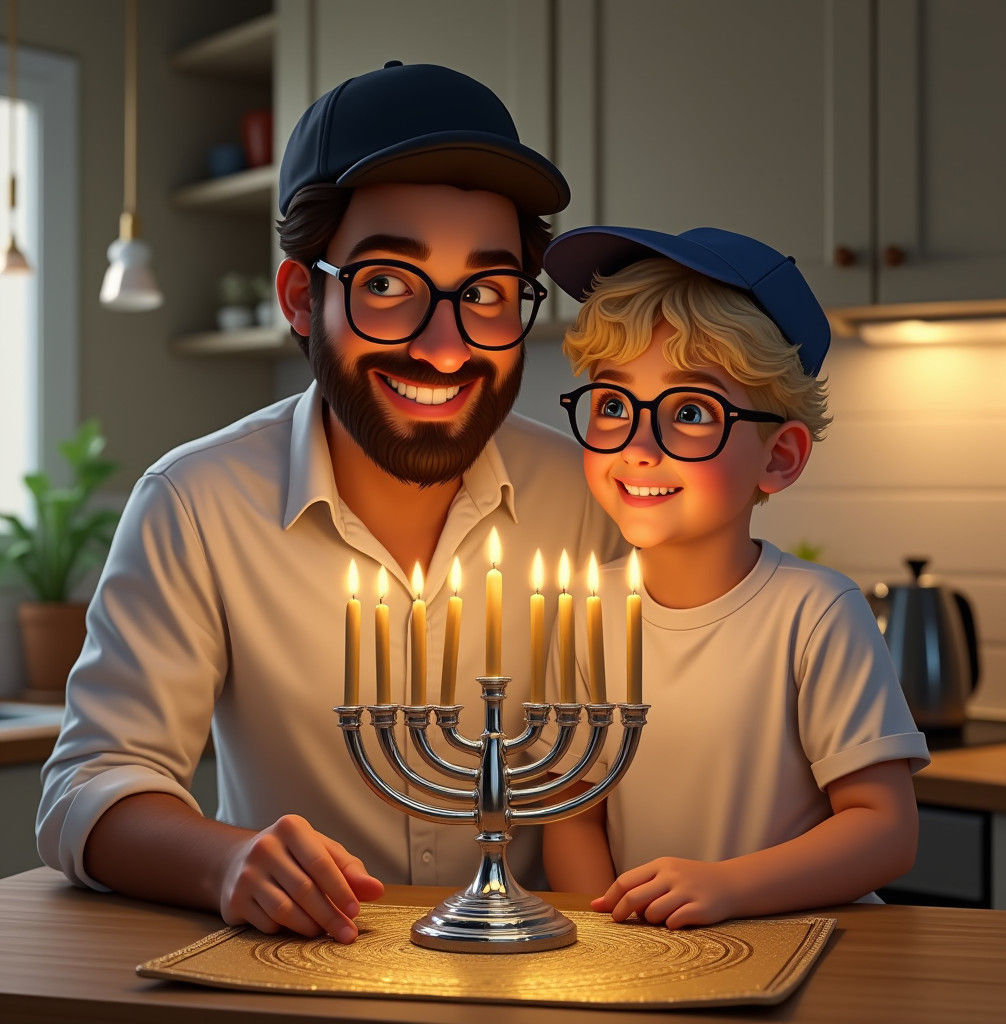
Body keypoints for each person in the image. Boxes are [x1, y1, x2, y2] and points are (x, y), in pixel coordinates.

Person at [36, 63, 622, 945]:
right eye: (389, 283)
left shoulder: (589, 495)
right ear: (303, 298)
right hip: (299, 974)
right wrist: (226, 861)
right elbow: (88, 788)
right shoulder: (195, 504)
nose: (444, 346)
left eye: (488, 293)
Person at [538, 225, 930, 927]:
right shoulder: (581, 611)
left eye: (691, 412)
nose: (639, 444)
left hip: (810, 953)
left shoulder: (815, 614)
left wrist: (729, 888)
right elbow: (573, 818)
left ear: (779, 457)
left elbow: (885, 830)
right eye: (613, 405)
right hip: (648, 962)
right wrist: (610, 937)